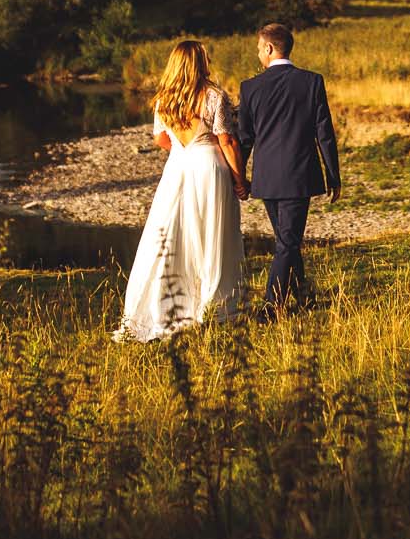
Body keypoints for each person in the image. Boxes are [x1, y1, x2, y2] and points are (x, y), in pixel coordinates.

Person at [114, 40, 246, 341]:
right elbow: (228, 141)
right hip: (209, 167)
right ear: (200, 62)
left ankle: (167, 304)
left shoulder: (164, 99)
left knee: (173, 233)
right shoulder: (214, 96)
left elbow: (161, 138)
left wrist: (181, 148)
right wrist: (240, 179)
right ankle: (212, 304)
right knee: (212, 233)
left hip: (178, 167)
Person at [235, 21, 340, 312]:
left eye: (259, 48)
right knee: (288, 242)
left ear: (269, 48)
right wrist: (333, 175)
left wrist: (238, 175)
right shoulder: (312, 82)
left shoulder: (250, 88)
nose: (258, 54)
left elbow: (245, 139)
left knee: (286, 240)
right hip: (299, 175)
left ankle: (291, 300)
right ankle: (275, 306)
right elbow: (324, 133)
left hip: (266, 178)